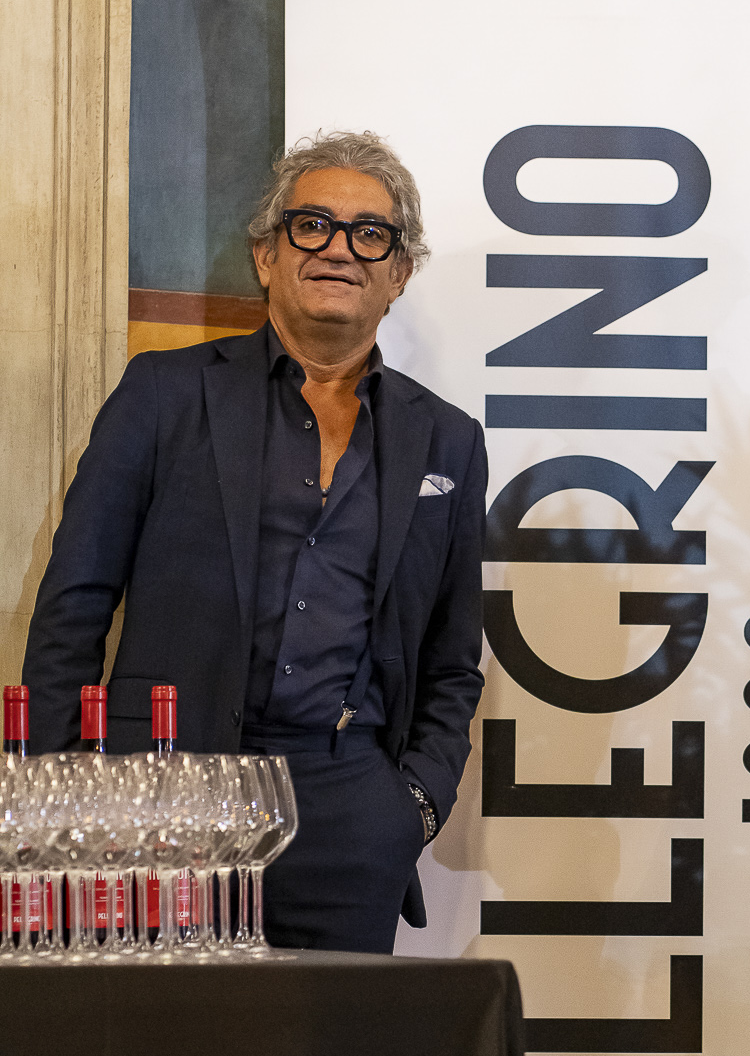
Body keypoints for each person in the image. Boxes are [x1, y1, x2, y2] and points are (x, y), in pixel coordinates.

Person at [24, 130, 485, 952]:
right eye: (312, 225)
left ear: (399, 273)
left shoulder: (448, 441)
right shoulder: (163, 394)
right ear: (267, 256)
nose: (338, 249)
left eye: (369, 234)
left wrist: (412, 805)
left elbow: (452, 658)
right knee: (161, 1034)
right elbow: (75, 605)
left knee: (332, 1039)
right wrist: (66, 798)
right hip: (165, 795)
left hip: (352, 815)